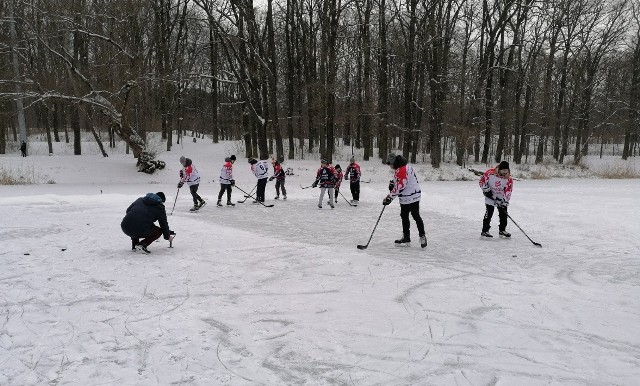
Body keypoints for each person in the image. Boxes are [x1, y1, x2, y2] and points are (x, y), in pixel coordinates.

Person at [382, 153, 427, 248]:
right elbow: (397, 179)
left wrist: (389, 198)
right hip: (405, 197)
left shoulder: (402, 169)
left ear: (394, 162)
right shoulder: (401, 166)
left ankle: (422, 236)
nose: (390, 167)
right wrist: (392, 183)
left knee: (415, 215)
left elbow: (400, 186)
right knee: (404, 215)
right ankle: (406, 237)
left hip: (413, 195)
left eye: (390, 164)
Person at [479, 160, 513, 238]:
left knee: (503, 213)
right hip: (490, 195)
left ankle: (502, 230)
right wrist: (486, 190)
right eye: (503, 170)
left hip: (501, 196)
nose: (505, 172)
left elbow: (508, 190)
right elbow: (482, 182)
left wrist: (505, 201)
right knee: (489, 212)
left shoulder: (508, 178)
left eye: (506, 170)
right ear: (499, 169)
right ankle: (485, 230)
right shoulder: (490, 173)